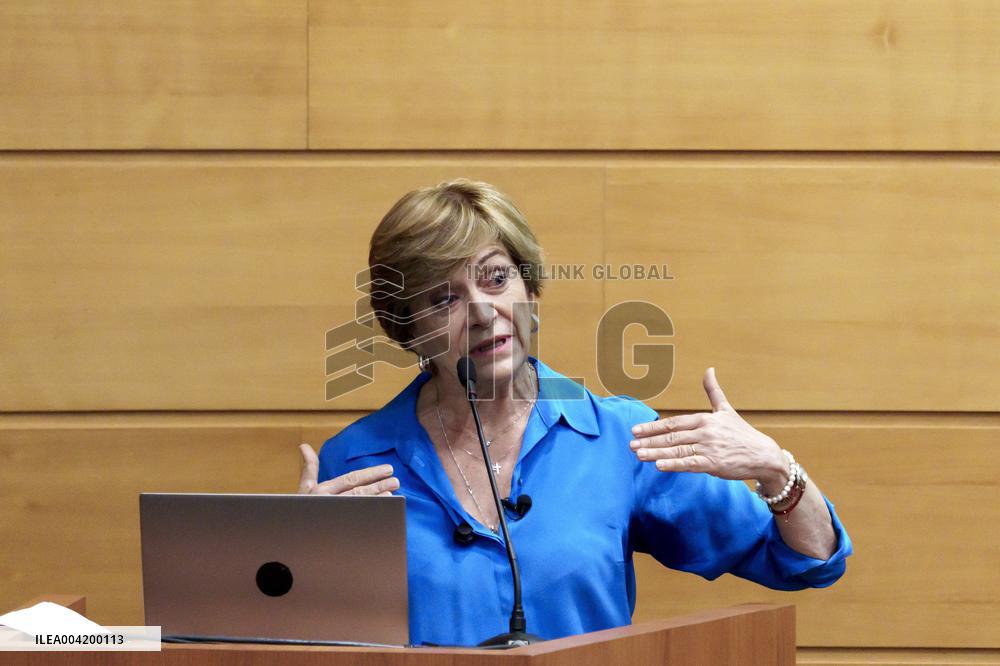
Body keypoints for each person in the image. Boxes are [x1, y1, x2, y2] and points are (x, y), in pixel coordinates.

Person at [297, 178, 852, 647]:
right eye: (444, 299)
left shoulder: (617, 438)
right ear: (409, 329)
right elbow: (309, 638)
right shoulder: (355, 461)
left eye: (496, 277)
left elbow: (807, 560)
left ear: (529, 287)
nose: (485, 313)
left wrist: (779, 472)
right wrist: (293, 565)